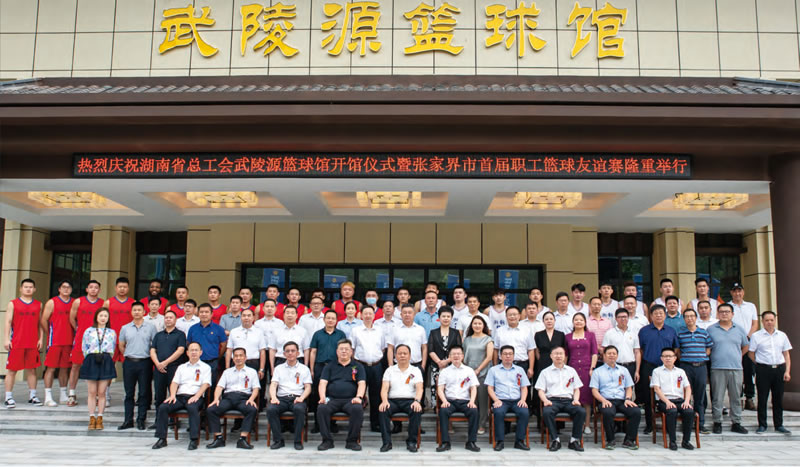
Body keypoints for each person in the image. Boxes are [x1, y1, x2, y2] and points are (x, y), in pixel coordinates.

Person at [151, 342, 211, 450]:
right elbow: (174, 382)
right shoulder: (181, 367)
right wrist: (172, 395)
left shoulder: (205, 367)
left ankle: (194, 439)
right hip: (179, 397)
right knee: (163, 407)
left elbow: (206, 384)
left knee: (192, 408)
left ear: (200, 352)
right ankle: (162, 439)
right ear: (187, 353)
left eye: (196, 350)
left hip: (195, 396)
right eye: (191, 350)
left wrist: (197, 396)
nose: (194, 352)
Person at [707, 302, 750, 435]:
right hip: (717, 367)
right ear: (717, 314)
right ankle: (717, 422)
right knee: (717, 397)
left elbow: (746, 346)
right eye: (721, 312)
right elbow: (707, 347)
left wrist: (738, 355)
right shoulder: (711, 329)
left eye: (727, 312)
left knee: (736, 397)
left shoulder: (739, 329)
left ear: (732, 314)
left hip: (736, 368)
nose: (724, 314)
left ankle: (736, 422)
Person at [317, 339, 366, 451]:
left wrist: (359, 397)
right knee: (322, 408)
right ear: (337, 351)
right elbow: (323, 383)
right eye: (341, 349)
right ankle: (327, 441)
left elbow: (362, 383)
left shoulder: (358, 366)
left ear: (351, 352)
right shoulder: (329, 366)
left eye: (346, 349)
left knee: (357, 409)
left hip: (351, 400)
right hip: (332, 399)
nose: (344, 351)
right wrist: (322, 397)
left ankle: (352, 441)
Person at [206, 347, 259, 450]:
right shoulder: (227, 372)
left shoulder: (252, 372)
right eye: (236, 356)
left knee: (252, 409)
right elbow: (219, 387)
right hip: (228, 398)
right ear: (233, 358)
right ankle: (219, 438)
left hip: (244, 398)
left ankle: (242, 439)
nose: (238, 358)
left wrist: (252, 399)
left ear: (245, 357)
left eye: (241, 356)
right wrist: (216, 399)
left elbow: (256, 388)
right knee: (211, 409)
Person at [749, 311, 792, 434]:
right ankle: (762, 425)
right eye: (767, 320)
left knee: (778, 398)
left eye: (771, 320)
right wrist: (759, 364)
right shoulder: (756, 336)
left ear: (775, 320)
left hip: (779, 369)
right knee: (762, 398)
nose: (769, 322)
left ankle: (779, 424)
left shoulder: (782, 335)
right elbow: (751, 353)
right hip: (763, 369)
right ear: (762, 321)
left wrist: (787, 371)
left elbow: (786, 355)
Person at [637, 305, 679, 434]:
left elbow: (675, 348)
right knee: (648, 396)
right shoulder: (644, 331)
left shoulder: (671, 331)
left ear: (665, 315)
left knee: (666, 393)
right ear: (651, 316)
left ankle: (668, 424)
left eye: (661, 313)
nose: (659, 315)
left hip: (667, 367)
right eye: (656, 313)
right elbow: (640, 350)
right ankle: (650, 424)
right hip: (648, 365)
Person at [535, 346, 586, 452]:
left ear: (565, 356)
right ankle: (555, 440)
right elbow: (540, 390)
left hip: (568, 401)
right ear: (551, 356)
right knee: (547, 412)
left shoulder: (571, 371)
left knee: (581, 411)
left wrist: (576, 399)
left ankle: (574, 440)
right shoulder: (545, 372)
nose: (558, 356)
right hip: (552, 400)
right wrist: (545, 400)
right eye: (556, 354)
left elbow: (576, 388)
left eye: (561, 354)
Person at [590, 345, 640, 450]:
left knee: (636, 412)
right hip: (606, 400)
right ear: (604, 355)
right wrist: (603, 400)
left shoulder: (624, 370)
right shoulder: (597, 372)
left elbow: (629, 387)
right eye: (609, 353)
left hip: (622, 400)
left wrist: (628, 399)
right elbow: (594, 390)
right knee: (608, 412)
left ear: (617, 356)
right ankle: (610, 440)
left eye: (614, 354)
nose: (611, 355)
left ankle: (629, 440)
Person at [4, 278, 44, 408]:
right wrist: (6, 339)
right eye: (26, 287)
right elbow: (8, 322)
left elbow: (40, 324)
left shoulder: (38, 304)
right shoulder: (13, 303)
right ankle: (8, 397)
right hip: (16, 342)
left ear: (34, 289)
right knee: (12, 370)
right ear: (21, 289)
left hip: (32, 343)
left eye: (30, 287)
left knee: (32, 370)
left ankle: (33, 396)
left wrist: (41, 339)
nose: (28, 289)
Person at [118, 301, 158, 430]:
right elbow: (121, 345)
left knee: (143, 393)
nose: (137, 312)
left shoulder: (151, 327)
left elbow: (154, 345)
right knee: (129, 393)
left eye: (139, 310)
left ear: (144, 312)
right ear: (131, 312)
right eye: (134, 310)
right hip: (129, 362)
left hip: (145, 362)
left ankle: (141, 419)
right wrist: (129, 354)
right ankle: (128, 420)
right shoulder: (125, 328)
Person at [266, 341, 312, 450]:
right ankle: (278, 440)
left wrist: (301, 398)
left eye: (293, 351)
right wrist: (274, 397)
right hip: (281, 398)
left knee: (299, 409)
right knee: (271, 409)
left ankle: (297, 441)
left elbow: (308, 387)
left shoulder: (304, 369)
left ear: (298, 353)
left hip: (297, 398)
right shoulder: (278, 368)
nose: (290, 353)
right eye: (287, 351)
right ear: (284, 354)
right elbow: (273, 385)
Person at [378, 344, 424, 453]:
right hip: (393, 401)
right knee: (383, 410)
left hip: (410, 401)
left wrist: (417, 401)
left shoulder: (415, 370)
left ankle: (412, 442)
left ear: (409, 356)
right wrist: (384, 401)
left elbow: (420, 388)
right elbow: (384, 388)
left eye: (405, 353)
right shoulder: (389, 370)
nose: (402, 355)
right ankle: (386, 443)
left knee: (416, 410)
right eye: (399, 353)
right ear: (395, 356)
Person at [436, 345, 481, 452]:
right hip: (450, 401)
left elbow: (473, 388)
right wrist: (444, 401)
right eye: (453, 354)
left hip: (465, 401)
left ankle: (471, 442)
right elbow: (440, 389)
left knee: (474, 411)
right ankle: (445, 442)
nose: (456, 356)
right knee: (443, 411)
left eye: (458, 354)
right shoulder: (444, 371)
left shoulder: (469, 371)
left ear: (462, 356)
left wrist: (472, 401)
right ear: (450, 356)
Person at [68, 280, 105, 406]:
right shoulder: (78, 301)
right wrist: (79, 330)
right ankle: (72, 394)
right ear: (87, 289)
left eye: (96, 287)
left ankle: (96, 395)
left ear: (99, 290)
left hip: (97, 339)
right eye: (91, 287)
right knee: (75, 365)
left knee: (97, 366)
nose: (93, 289)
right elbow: (72, 318)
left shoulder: (102, 303)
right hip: (81, 339)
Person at [308, 310, 347, 432]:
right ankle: (317, 424)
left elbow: (344, 350)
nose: (330, 320)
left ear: (336, 321)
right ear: (324, 319)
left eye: (333, 318)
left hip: (335, 367)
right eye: (328, 318)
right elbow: (313, 352)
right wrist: (312, 368)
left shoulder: (340, 334)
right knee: (317, 394)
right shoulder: (317, 334)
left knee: (333, 394)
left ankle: (332, 423)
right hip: (320, 366)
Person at [486, 345, 531, 451]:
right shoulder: (493, 370)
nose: (508, 356)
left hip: (516, 400)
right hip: (501, 400)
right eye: (505, 354)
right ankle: (500, 441)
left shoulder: (520, 370)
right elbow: (490, 388)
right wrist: (496, 400)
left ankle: (519, 441)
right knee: (498, 412)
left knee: (524, 412)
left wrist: (523, 400)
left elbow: (524, 387)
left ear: (513, 356)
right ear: (500, 356)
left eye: (510, 354)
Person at [650, 347, 696, 450]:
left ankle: (686, 441)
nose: (668, 358)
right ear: (661, 358)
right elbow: (656, 389)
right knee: (672, 410)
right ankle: (672, 441)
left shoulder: (681, 371)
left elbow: (688, 387)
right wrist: (667, 402)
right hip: (664, 401)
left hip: (679, 400)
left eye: (670, 356)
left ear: (675, 358)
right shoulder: (657, 371)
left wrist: (687, 401)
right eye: (665, 356)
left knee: (689, 411)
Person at [676, 308, 713, 434]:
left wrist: (700, 357)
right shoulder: (680, 334)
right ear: (684, 319)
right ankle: (687, 423)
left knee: (700, 396)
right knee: (685, 395)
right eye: (687, 316)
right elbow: (678, 351)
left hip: (701, 367)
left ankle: (700, 423)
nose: (689, 318)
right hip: (686, 367)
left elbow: (708, 348)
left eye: (692, 316)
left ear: (696, 318)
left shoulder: (703, 333)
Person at [351, 305, 387, 432]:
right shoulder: (356, 330)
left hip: (376, 366)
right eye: (365, 313)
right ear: (361, 315)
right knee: (357, 393)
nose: (367, 316)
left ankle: (375, 423)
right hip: (360, 365)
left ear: (374, 315)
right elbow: (352, 349)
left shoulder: (380, 330)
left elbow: (382, 348)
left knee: (376, 396)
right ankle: (357, 423)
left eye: (370, 313)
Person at [79, 307, 116, 430]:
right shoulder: (89, 331)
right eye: (101, 315)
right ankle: (91, 417)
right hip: (91, 359)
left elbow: (113, 348)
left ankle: (100, 417)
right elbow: (84, 347)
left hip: (105, 359)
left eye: (105, 316)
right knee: (92, 392)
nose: (103, 318)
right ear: (96, 317)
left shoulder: (111, 332)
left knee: (102, 392)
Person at [41, 280, 75, 407]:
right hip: (54, 341)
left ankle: (63, 394)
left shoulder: (74, 302)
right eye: (64, 287)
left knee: (65, 368)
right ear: (59, 289)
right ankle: (48, 396)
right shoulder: (52, 302)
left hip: (69, 340)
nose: (66, 289)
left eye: (69, 287)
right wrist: (50, 333)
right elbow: (43, 320)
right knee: (51, 368)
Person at [149, 310, 187, 422]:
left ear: (175, 320)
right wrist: (158, 364)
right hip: (159, 369)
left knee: (173, 393)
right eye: (166, 318)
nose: (168, 319)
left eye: (171, 318)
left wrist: (165, 362)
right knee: (159, 395)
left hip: (174, 368)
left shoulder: (180, 334)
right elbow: (152, 350)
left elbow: (180, 350)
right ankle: (159, 420)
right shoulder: (158, 335)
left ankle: (173, 421)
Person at [729, 282, 759, 411]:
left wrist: (748, 337)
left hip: (748, 342)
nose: (737, 293)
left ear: (743, 292)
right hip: (734, 343)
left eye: (739, 291)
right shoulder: (728, 306)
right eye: (735, 291)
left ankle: (749, 398)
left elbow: (755, 324)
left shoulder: (751, 306)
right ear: (731, 292)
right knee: (735, 372)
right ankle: (738, 398)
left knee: (749, 371)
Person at [565, 312, 597, 434]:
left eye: (581, 320)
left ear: (585, 322)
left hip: (586, 369)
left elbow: (594, 353)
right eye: (576, 320)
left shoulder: (590, 335)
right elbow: (566, 355)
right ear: (573, 322)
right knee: (574, 397)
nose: (578, 322)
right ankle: (578, 425)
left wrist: (592, 368)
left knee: (586, 398)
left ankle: (587, 425)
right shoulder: (567, 337)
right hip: (572, 369)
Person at [463, 315, 494, 435]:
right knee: (472, 400)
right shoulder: (467, 340)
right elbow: (463, 356)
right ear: (471, 325)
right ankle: (473, 423)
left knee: (482, 400)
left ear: (484, 326)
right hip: (468, 373)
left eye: (479, 324)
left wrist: (478, 370)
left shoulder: (488, 339)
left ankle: (482, 424)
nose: (477, 326)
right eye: (475, 323)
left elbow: (489, 357)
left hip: (482, 373)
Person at [427, 307, 463, 408]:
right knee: (437, 386)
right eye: (443, 316)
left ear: (451, 318)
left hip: (452, 365)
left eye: (448, 316)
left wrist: (447, 361)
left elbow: (459, 349)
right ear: (439, 318)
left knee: (451, 386)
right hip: (436, 365)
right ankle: (436, 407)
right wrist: (439, 362)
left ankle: (450, 406)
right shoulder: (433, 332)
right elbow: (430, 350)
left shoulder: (455, 333)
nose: (446, 318)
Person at [186, 303, 227, 386]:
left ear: (211, 314)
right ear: (198, 314)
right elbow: (188, 344)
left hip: (212, 362)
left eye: (206, 312)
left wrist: (218, 357)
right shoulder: (193, 328)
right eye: (201, 312)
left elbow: (224, 345)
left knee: (211, 384)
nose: (204, 314)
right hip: (196, 361)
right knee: (195, 384)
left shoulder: (219, 329)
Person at [601, 309, 641, 385]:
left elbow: (637, 352)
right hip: (614, 366)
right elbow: (604, 352)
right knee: (615, 388)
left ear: (628, 318)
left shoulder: (633, 333)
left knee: (629, 388)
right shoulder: (609, 333)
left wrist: (637, 371)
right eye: (620, 317)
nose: (623, 319)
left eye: (625, 317)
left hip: (630, 366)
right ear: (616, 319)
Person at [225, 309, 266, 377]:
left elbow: (262, 351)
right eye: (244, 316)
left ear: (253, 317)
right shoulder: (234, 331)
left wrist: (261, 369)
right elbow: (229, 350)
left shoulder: (259, 332)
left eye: (249, 316)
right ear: (241, 317)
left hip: (253, 363)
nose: (246, 318)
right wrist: (227, 368)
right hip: (236, 363)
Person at [104, 277, 133, 367]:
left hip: (128, 339)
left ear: (128, 288)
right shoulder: (108, 303)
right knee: (109, 365)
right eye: (120, 287)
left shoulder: (133, 303)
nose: (122, 289)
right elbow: (102, 321)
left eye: (125, 287)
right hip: (111, 338)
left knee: (128, 364)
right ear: (116, 288)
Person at [534, 311, 567, 379]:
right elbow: (536, 350)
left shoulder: (560, 334)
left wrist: (563, 364)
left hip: (558, 362)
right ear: (543, 321)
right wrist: (540, 360)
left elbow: (564, 350)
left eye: (551, 319)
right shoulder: (538, 335)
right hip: (543, 362)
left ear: (554, 321)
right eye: (546, 319)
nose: (549, 321)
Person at [586, 297, 612, 361]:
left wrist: (605, 350)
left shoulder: (607, 321)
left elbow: (611, 337)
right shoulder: (585, 322)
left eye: (599, 304)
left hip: (606, 354)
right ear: (589, 306)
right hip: (591, 354)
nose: (597, 306)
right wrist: (599, 349)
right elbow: (586, 338)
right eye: (594, 304)